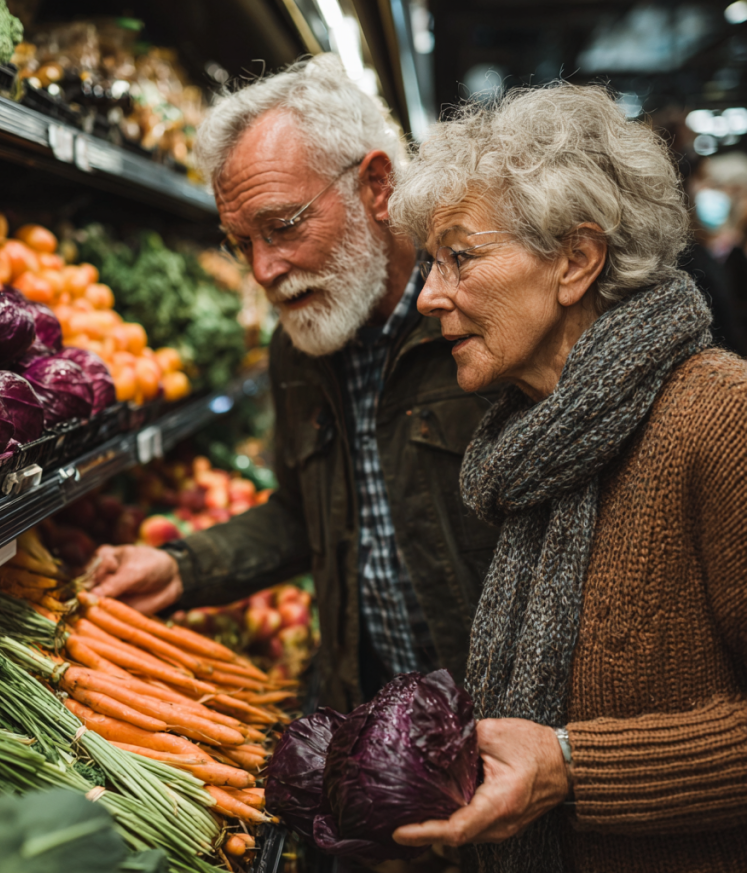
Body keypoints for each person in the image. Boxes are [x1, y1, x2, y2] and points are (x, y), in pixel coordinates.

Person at [387, 83, 747, 872]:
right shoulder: (530, 443)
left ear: (576, 259)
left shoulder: (718, 418)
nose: (430, 296)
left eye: (460, 256)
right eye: (429, 262)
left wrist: (570, 765)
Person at [89, 55, 499, 712]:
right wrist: (179, 567)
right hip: (383, 721)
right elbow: (301, 513)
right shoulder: (298, 349)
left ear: (376, 185)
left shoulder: (485, 321)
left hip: (508, 731)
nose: (262, 268)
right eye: (238, 242)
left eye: (282, 227)